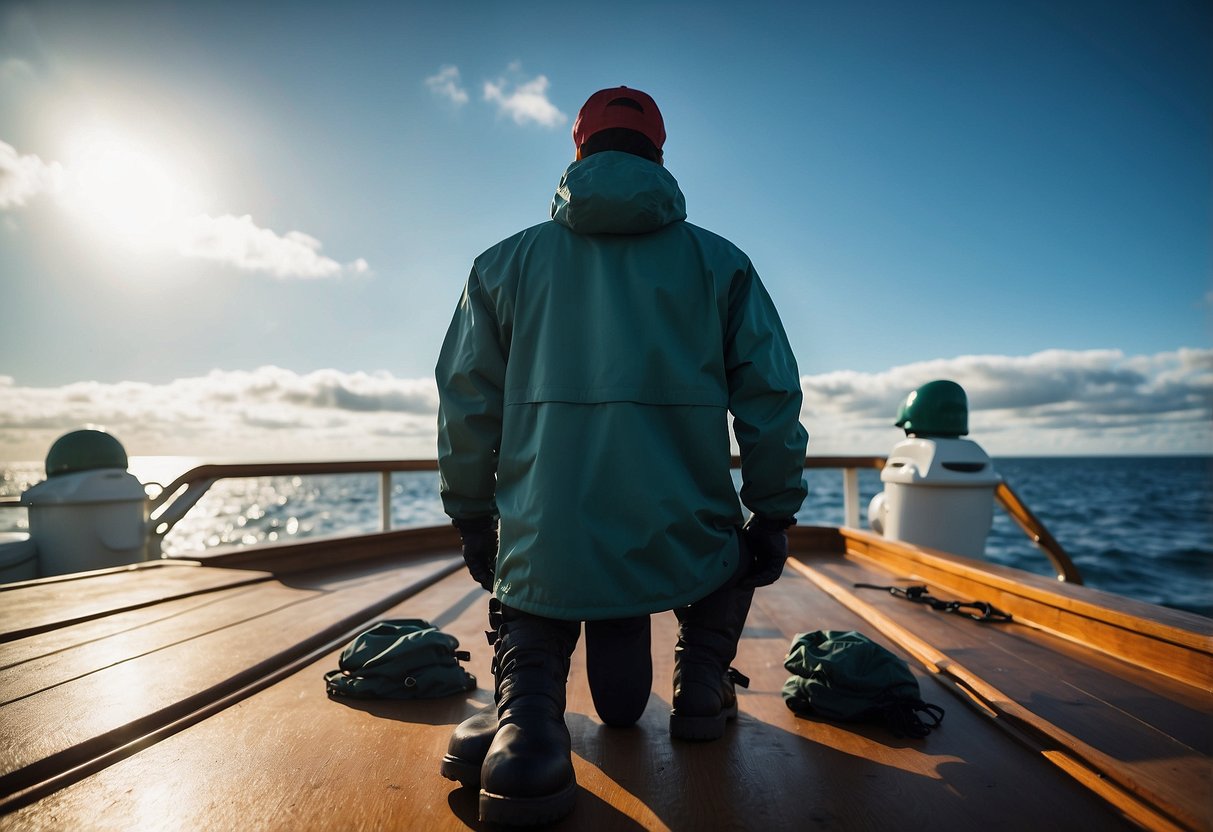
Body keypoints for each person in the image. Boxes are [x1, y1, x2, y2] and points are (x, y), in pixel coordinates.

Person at [435, 85, 808, 827]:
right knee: (730, 552)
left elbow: (466, 404)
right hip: (684, 532)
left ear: (578, 150)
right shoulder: (720, 263)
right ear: (659, 155)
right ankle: (702, 687)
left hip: (547, 535)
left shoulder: (502, 265)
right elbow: (770, 396)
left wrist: (473, 515)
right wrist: (773, 511)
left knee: (531, 563)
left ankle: (530, 726)